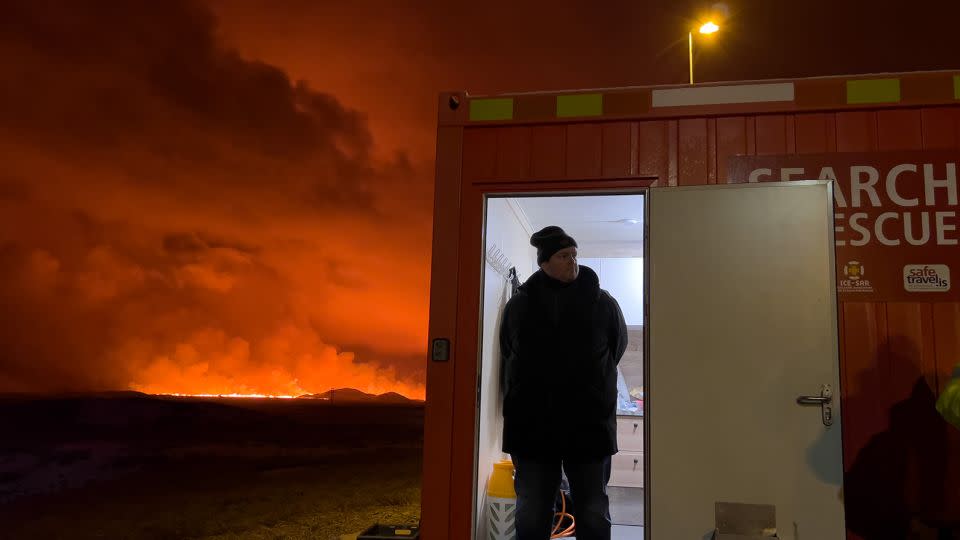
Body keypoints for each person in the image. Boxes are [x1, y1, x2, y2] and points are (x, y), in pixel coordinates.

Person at [500, 225, 628, 540]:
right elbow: (509, 353)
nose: (573, 261)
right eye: (563, 255)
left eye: (574, 254)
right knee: (531, 510)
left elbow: (616, 349)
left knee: (593, 511)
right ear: (544, 263)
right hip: (533, 427)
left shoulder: (603, 303)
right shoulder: (520, 306)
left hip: (588, 426)